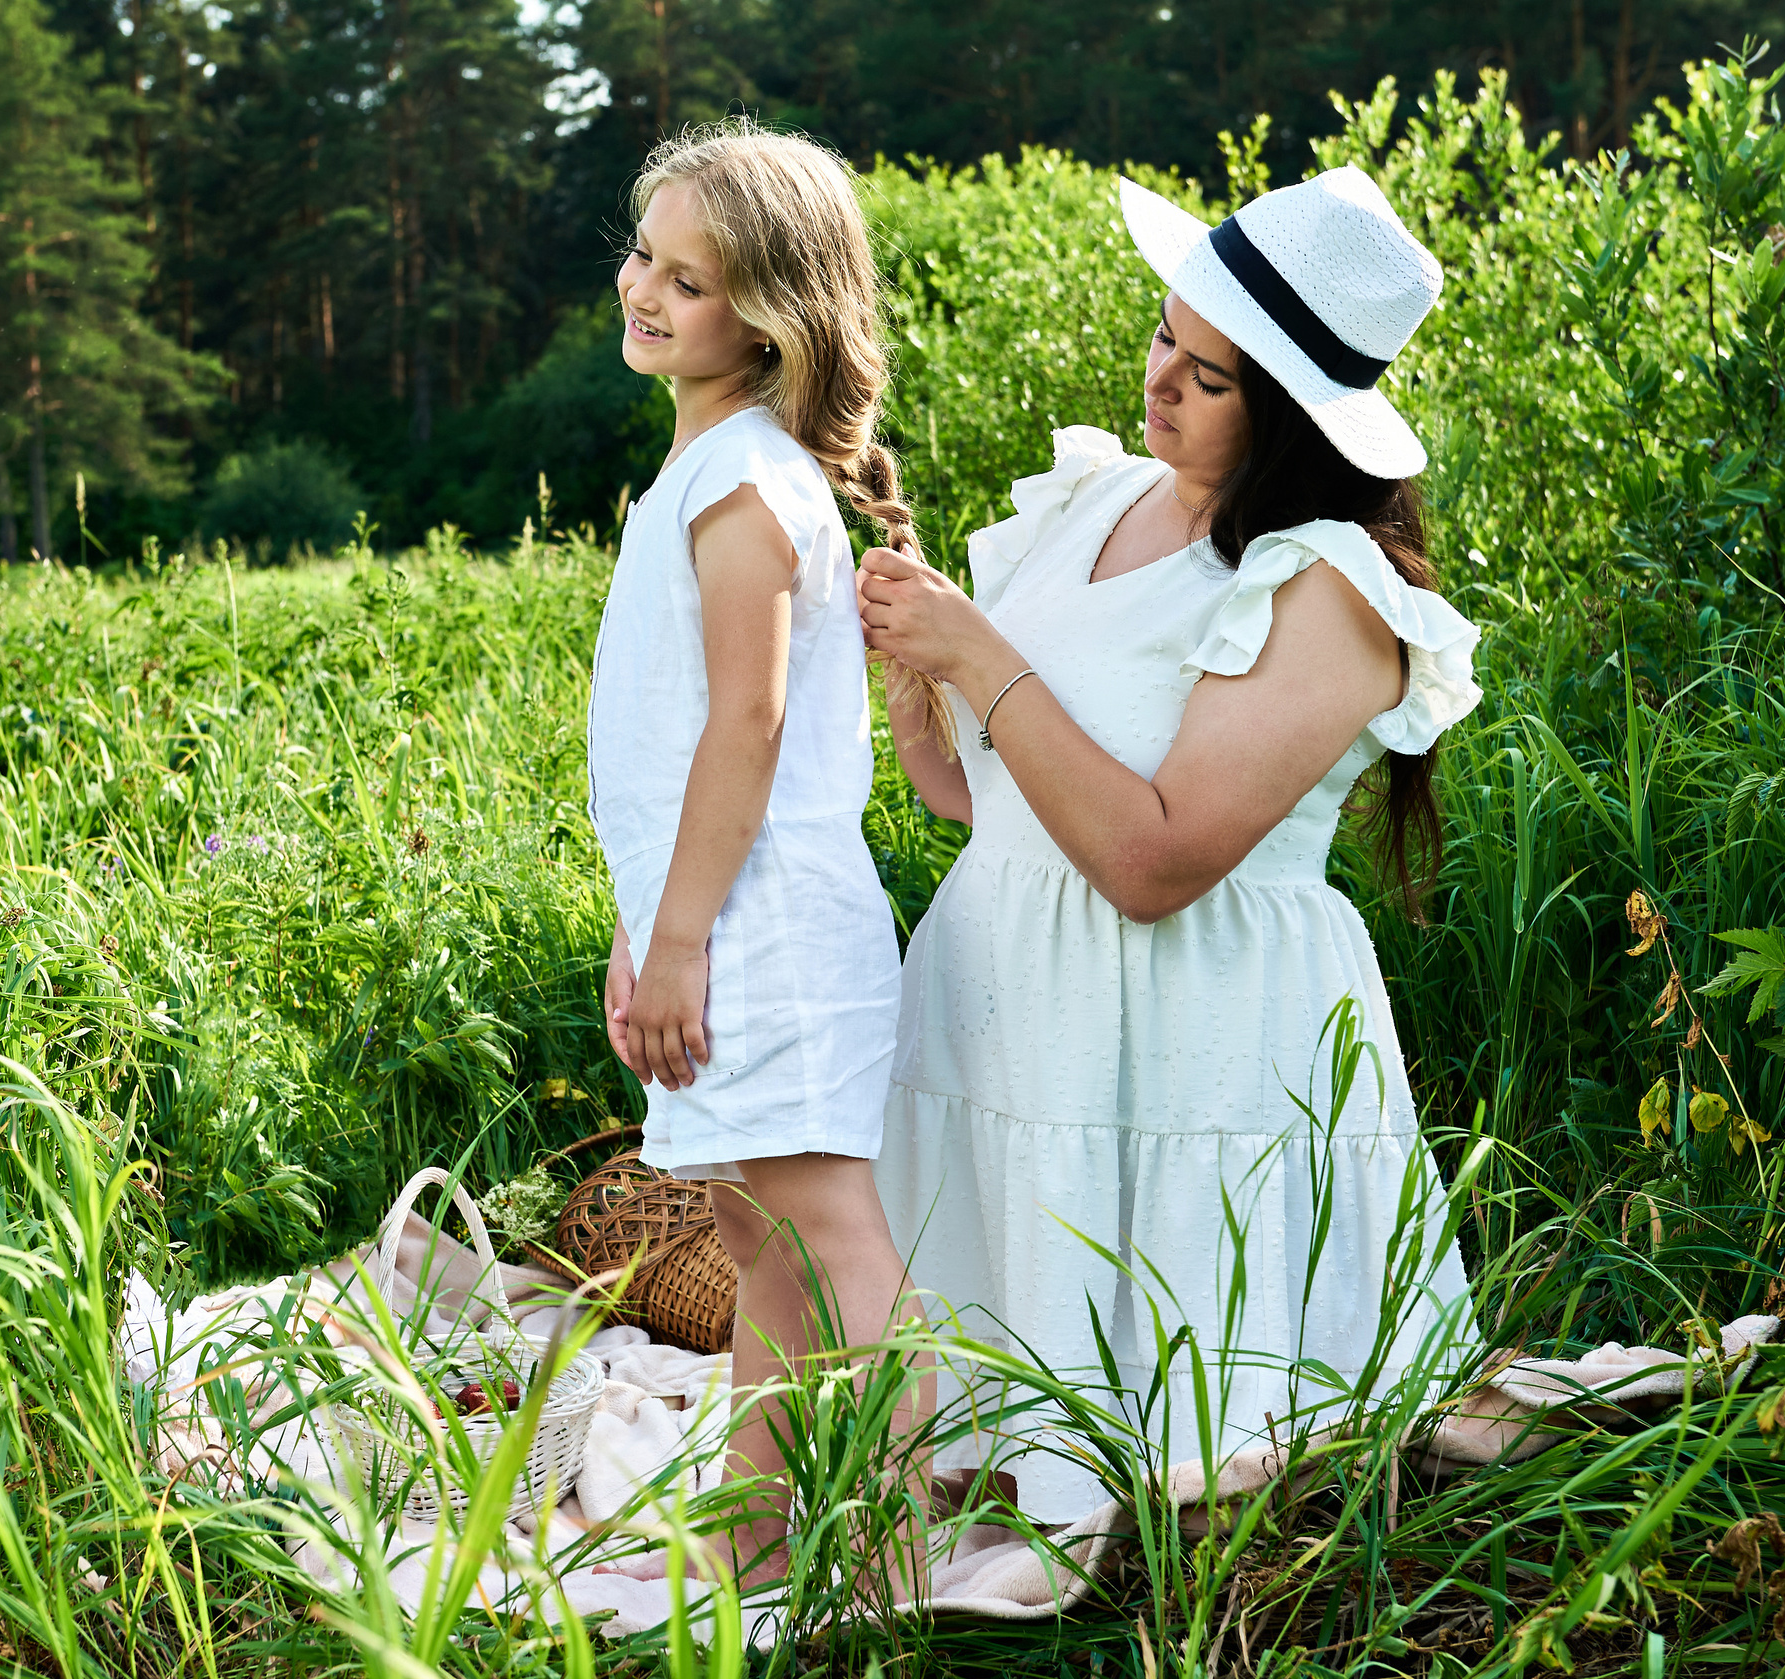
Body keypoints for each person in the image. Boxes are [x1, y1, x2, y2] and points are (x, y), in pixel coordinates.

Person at [859, 166, 1484, 1523]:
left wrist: (981, 653)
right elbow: (986, 806)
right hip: (1006, 1009)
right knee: (958, 1434)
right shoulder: (1095, 500)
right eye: (1163, 337)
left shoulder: (1327, 590)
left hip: (1191, 1033)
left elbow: (1149, 864)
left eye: (1208, 377)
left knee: (1195, 1438)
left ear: (1295, 418)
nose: (1160, 383)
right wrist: (920, 682)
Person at [587, 120, 921, 1576]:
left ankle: (905, 1544)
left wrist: (679, 942)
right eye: (643, 258)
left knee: (826, 1234)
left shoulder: (742, 488)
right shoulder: (710, 471)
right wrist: (640, 923)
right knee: (756, 1242)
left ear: (774, 317)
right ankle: (753, 1546)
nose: (646, 292)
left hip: (765, 928)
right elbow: (667, 750)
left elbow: (748, 724)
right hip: (717, 913)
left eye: (693, 281)